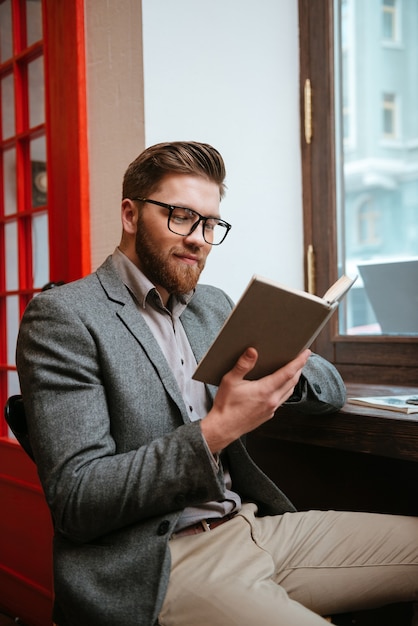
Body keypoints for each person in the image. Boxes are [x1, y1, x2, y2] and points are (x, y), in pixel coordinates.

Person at [16, 141, 417, 626]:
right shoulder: (67, 317)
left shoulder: (214, 306)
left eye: (209, 224)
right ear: (129, 214)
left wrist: (286, 353)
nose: (199, 239)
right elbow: (78, 500)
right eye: (181, 216)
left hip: (250, 526)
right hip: (159, 560)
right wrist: (218, 429)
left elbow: (329, 391)